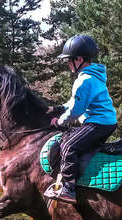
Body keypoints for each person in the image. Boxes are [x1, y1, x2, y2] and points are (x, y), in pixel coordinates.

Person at [45, 34, 117, 204]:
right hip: (104, 122)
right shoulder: (93, 76)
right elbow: (74, 101)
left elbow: (76, 111)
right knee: (69, 140)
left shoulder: (84, 80)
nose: (68, 64)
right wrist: (58, 108)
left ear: (78, 59)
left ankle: (68, 189)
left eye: (69, 60)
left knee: (69, 145)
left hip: (97, 123)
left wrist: (60, 121)